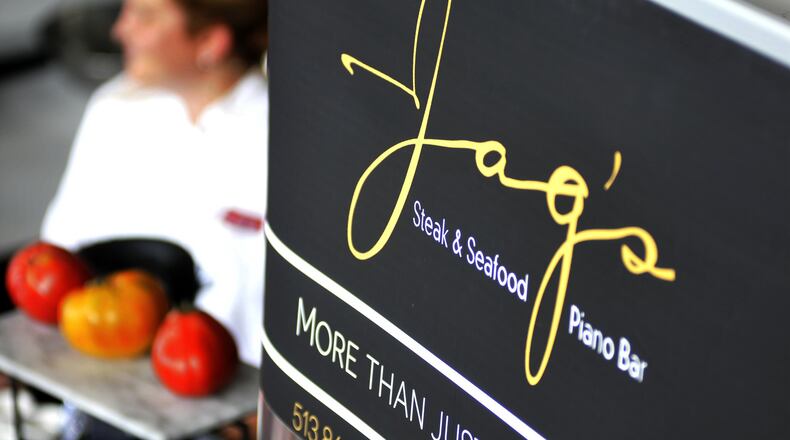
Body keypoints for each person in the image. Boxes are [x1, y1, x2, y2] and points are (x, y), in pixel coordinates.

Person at [41, 0, 269, 368]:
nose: (119, 30)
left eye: (144, 17)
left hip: (233, 402)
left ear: (210, 41)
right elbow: (58, 255)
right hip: (97, 369)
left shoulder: (279, 143)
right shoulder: (114, 109)